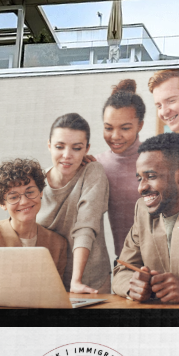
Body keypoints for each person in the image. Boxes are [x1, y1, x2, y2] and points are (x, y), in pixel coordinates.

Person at [113, 133, 179, 304]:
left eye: (151, 176)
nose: (141, 188)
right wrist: (133, 286)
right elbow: (122, 269)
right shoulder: (142, 209)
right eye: (139, 178)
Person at [38, 113, 111, 294]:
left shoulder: (92, 171)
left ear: (87, 149)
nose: (67, 155)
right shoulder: (35, 182)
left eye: (77, 148)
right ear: (49, 145)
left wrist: (76, 281)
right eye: (59, 147)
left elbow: (85, 226)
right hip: (47, 281)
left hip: (90, 281)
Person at [0, 158, 67, 279]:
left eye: (30, 192)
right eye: (13, 197)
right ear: (2, 204)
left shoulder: (58, 243)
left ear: (41, 192)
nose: (24, 201)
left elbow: (57, 289)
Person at [96, 79, 145, 257]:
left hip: (163, 261)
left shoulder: (156, 158)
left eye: (125, 128)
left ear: (140, 125)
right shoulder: (97, 165)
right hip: (124, 261)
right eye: (108, 128)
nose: (115, 136)